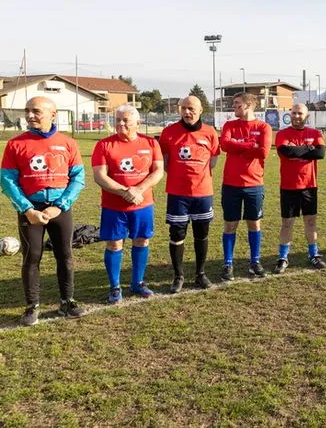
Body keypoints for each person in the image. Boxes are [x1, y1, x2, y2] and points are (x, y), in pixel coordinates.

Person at [1, 97, 86, 326]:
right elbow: (7, 180)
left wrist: (59, 206)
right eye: (27, 111)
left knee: (65, 256)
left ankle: (67, 301)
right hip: (30, 210)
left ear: (53, 114)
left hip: (59, 209)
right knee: (32, 257)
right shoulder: (15, 144)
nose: (30, 115)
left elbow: (78, 178)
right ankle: (32, 307)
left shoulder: (68, 143)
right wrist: (27, 209)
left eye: (36, 111)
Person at [92, 105, 164, 302]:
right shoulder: (104, 145)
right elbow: (99, 176)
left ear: (137, 123)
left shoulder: (150, 143)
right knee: (114, 244)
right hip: (114, 206)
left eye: (125, 121)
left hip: (143, 204)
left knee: (141, 240)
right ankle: (115, 286)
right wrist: (125, 192)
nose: (120, 124)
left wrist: (138, 190)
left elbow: (158, 170)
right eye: (118, 120)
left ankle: (138, 282)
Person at [158, 95, 219, 293]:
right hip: (177, 193)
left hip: (203, 193)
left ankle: (200, 274)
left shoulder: (210, 132)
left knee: (202, 233)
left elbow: (213, 161)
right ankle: (178, 276)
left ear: (201, 110)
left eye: (191, 108)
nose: (187, 112)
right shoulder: (168, 132)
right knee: (177, 233)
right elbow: (165, 162)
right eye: (183, 108)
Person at [219, 92, 272, 280]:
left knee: (254, 223)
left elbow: (264, 152)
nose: (233, 107)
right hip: (231, 184)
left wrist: (238, 144)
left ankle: (255, 261)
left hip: (254, 184)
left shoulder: (263, 127)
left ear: (249, 105)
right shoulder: (229, 125)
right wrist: (250, 145)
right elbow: (224, 144)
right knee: (230, 225)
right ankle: (228, 263)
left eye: (237, 104)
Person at [273, 103, 326, 273]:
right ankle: (282, 257)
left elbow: (320, 154)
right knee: (287, 223)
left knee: (310, 221)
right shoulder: (282, 134)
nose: (296, 116)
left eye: (300, 113)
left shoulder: (315, 133)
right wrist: (308, 148)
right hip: (289, 186)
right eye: (294, 113)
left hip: (309, 185)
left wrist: (298, 150)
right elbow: (286, 152)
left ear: (307, 116)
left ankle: (313, 254)